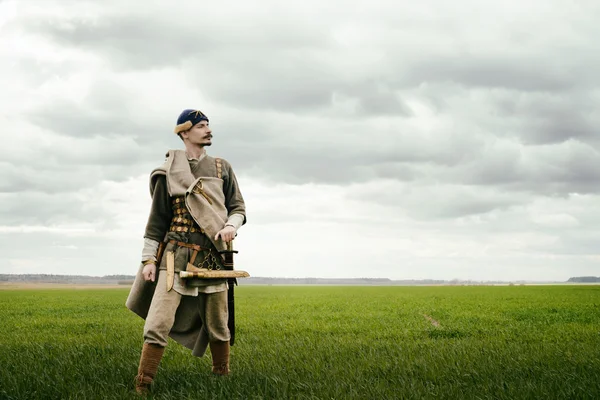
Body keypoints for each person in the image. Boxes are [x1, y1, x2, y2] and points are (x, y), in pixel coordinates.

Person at [126, 109, 247, 394]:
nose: (208, 130)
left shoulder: (221, 168)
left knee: (219, 323)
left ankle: (222, 377)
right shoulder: (167, 172)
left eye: (208, 125)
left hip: (213, 255)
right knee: (158, 321)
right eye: (201, 126)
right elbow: (156, 222)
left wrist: (231, 225)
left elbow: (238, 208)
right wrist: (148, 260)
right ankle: (143, 385)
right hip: (175, 254)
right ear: (184, 132)